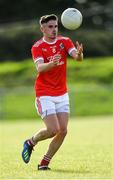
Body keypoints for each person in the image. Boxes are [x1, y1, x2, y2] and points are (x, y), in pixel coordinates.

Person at [22, 14, 83, 170]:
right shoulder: (37, 46)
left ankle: (44, 163)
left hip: (61, 93)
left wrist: (80, 54)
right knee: (53, 130)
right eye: (50, 27)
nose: (54, 29)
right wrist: (52, 63)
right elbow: (40, 68)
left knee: (63, 131)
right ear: (42, 28)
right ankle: (31, 141)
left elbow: (76, 57)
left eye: (56, 26)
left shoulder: (65, 41)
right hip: (44, 93)